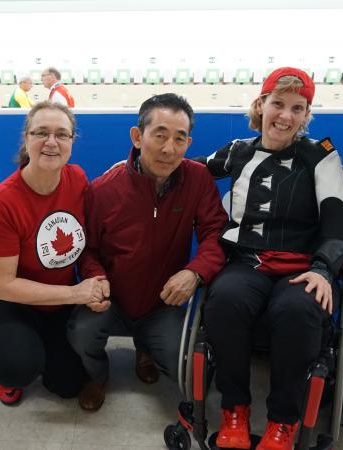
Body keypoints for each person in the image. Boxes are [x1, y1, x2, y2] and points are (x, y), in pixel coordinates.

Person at [197, 67, 343, 450]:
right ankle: (233, 412)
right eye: (278, 104)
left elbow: (340, 221)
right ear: (261, 105)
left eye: (297, 108)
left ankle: (282, 422)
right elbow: (190, 170)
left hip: (302, 268)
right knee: (225, 300)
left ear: (306, 115)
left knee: (298, 311)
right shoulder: (238, 151)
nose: (286, 115)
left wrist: (323, 268)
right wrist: (137, 163)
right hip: (246, 263)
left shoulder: (320, 157)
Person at [68, 93, 227, 412]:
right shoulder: (103, 189)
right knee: (80, 332)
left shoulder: (197, 180)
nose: (169, 149)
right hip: (112, 301)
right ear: (137, 137)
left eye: (179, 139)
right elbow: (87, 250)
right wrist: (95, 277)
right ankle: (97, 376)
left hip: (163, 303)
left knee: (187, 372)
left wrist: (195, 272)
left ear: (188, 142)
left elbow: (215, 233)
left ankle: (147, 350)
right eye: (160, 135)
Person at [0, 101, 107, 406]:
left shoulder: (77, 180)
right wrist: (76, 294)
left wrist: (95, 281)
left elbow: (87, 244)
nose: (51, 142)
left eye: (62, 134)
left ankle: (35, 347)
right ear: (27, 139)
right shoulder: (3, 201)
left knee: (68, 384)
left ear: (72, 142)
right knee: (18, 367)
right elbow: (3, 286)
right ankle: (5, 363)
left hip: (55, 301)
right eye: (41, 133)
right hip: (4, 301)